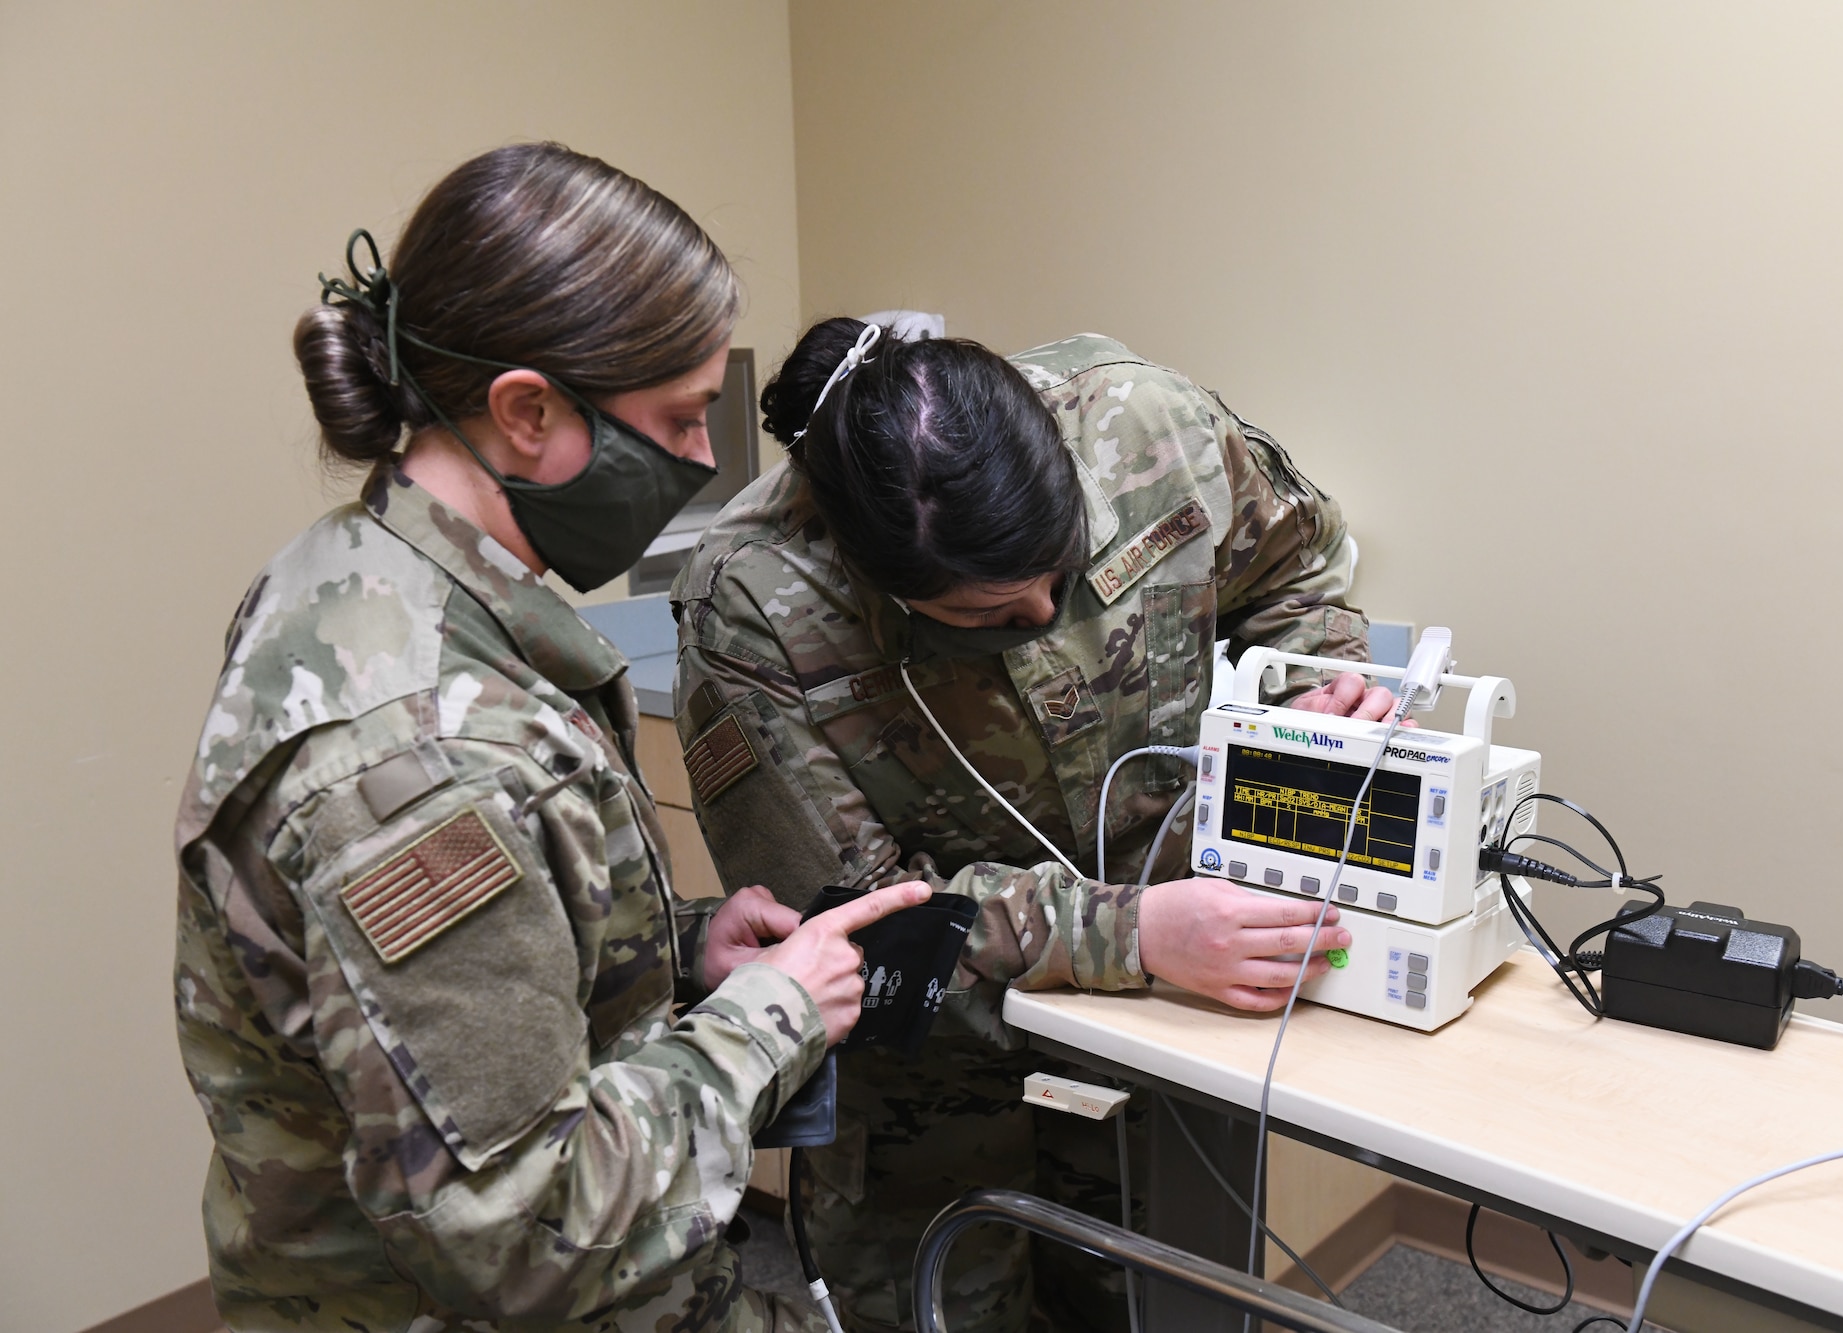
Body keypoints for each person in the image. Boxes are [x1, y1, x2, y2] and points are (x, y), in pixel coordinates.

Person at [172, 145, 927, 1333]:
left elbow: (464, 982)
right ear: (529, 412)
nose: (703, 458)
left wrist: (680, 952)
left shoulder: (372, 576)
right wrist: (773, 1014)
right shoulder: (415, 761)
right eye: (679, 418)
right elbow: (521, 1228)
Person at [670, 319, 1392, 1333]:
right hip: (934, 1113)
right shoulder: (754, 607)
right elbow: (857, 937)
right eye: (995, 614)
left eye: (1061, 569)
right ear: (882, 588)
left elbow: (1295, 570)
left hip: (1171, 1040)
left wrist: (1315, 688)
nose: (1048, 608)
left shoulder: (1148, 426)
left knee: (1168, 1311)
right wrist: (1129, 935)